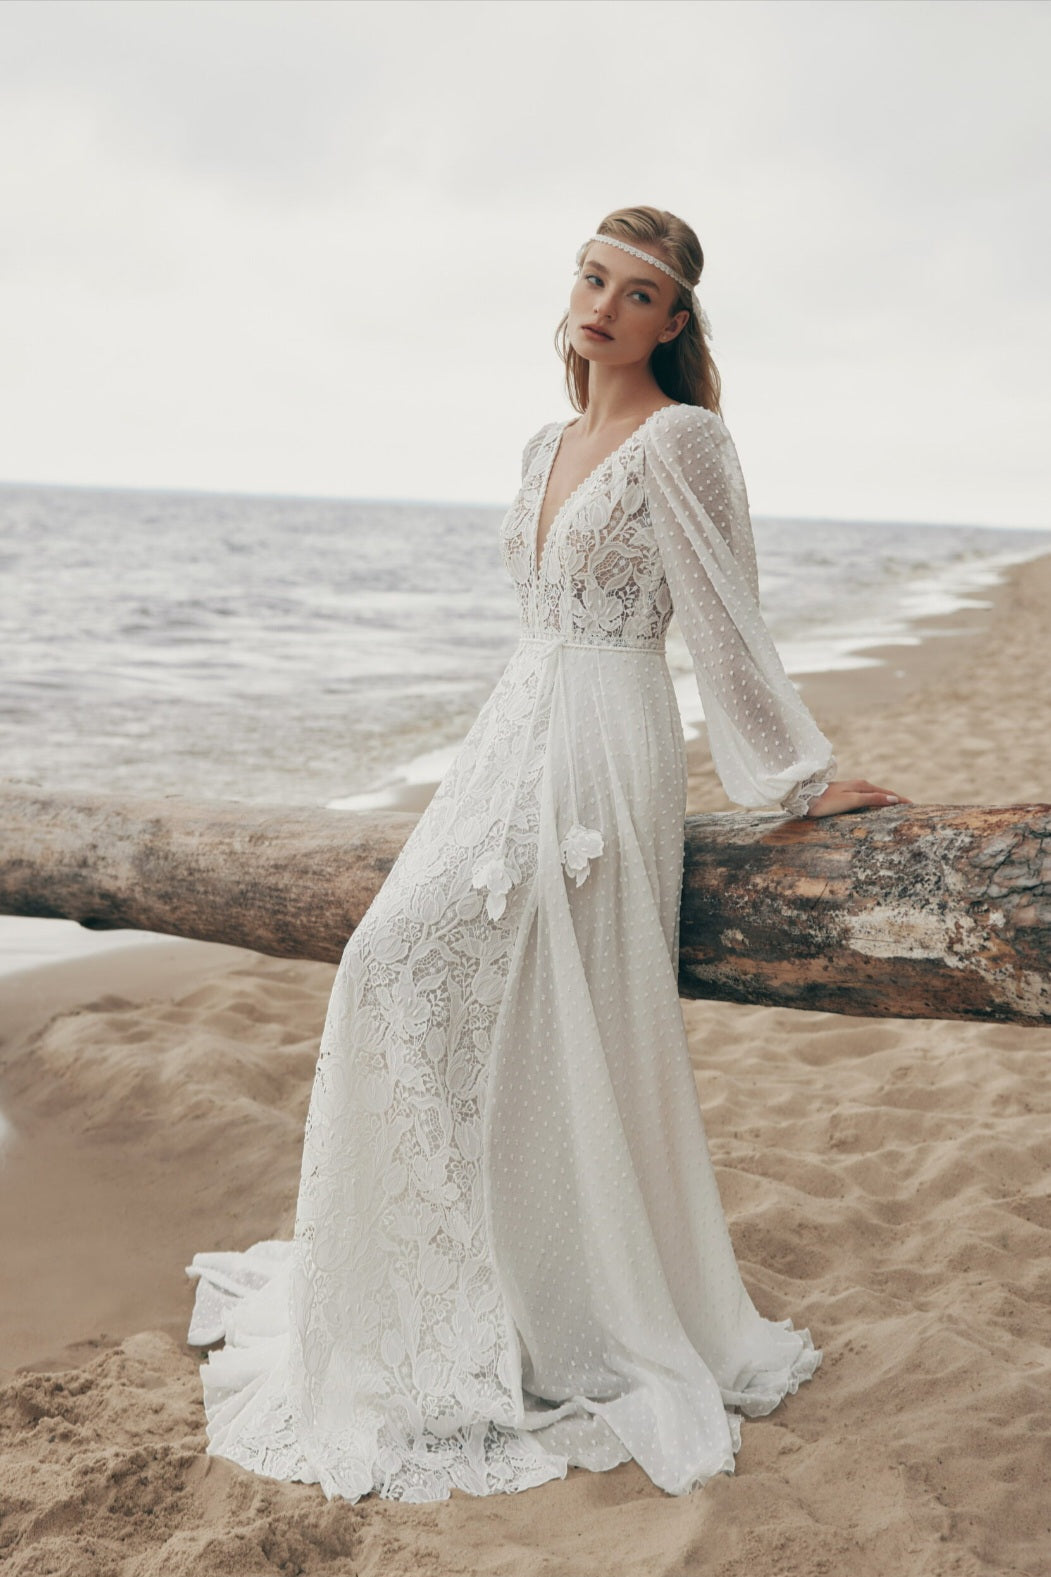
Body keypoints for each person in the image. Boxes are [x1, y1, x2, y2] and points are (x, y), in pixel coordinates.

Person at [185, 205, 909, 1504]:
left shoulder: (685, 440)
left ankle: (560, 1306)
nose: (605, 306)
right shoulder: (544, 444)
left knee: (486, 992)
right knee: (392, 969)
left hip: (603, 738)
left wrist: (800, 778)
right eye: (593, 278)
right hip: (514, 729)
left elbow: (729, 625)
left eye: (638, 294)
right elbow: (535, 622)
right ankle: (464, 1280)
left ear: (675, 322)